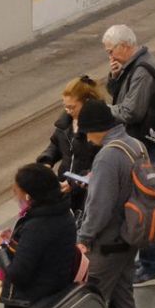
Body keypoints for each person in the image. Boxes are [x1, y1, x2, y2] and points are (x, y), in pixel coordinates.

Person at [73, 99, 143, 308]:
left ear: (97, 129)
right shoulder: (134, 145)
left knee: (90, 302)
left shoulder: (107, 157)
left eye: (87, 132)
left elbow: (100, 207)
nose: (87, 139)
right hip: (131, 236)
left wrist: (83, 238)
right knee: (124, 299)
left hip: (108, 241)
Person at [104, 24, 155, 289]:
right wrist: (114, 78)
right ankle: (146, 263)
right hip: (143, 143)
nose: (110, 56)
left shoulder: (142, 70)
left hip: (145, 146)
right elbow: (123, 97)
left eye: (111, 51)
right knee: (141, 202)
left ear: (124, 46)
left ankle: (152, 267)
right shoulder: (135, 65)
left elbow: (131, 112)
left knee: (144, 204)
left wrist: (103, 111)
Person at [0, 165, 82, 308]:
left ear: (29, 195)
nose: (15, 194)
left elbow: (18, 274)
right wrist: (14, 243)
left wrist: (1, 248)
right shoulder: (64, 213)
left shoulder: (37, 225)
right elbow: (41, 251)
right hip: (53, 295)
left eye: (16, 191)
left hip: (28, 306)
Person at [36, 76, 104, 213]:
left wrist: (74, 184)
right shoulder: (65, 124)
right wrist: (46, 161)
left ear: (87, 103)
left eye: (72, 107)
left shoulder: (97, 130)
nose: (67, 111)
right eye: (65, 107)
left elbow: (101, 166)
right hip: (64, 188)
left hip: (87, 193)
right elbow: (55, 144)